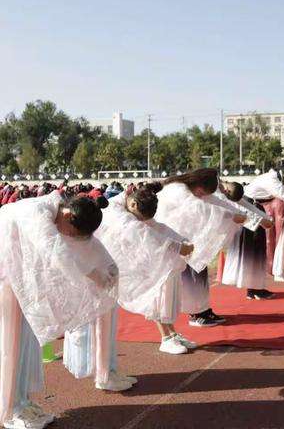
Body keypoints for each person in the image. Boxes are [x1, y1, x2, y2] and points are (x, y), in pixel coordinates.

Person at [0, 192, 118, 429]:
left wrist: (108, 267)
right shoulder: (35, 213)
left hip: (18, 284)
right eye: (71, 232)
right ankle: (8, 409)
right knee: (9, 344)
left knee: (25, 343)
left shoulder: (62, 214)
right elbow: (56, 251)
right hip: (5, 282)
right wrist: (95, 275)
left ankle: (20, 400)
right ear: (67, 215)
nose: (69, 237)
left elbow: (86, 244)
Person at [63, 186, 196, 383]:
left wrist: (179, 240)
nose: (141, 220)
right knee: (96, 324)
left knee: (107, 324)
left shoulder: (128, 205)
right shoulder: (118, 214)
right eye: (139, 216)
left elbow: (153, 226)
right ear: (132, 204)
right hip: (95, 272)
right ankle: (103, 373)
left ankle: (109, 369)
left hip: (106, 270)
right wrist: (177, 246)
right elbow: (144, 233)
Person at [155, 169, 246, 328]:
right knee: (188, 278)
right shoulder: (178, 189)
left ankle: (202, 309)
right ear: (199, 184)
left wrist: (238, 213)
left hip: (188, 238)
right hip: (173, 241)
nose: (202, 196)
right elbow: (200, 208)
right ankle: (196, 313)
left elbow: (216, 203)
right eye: (202, 193)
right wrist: (231, 215)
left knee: (199, 272)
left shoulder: (188, 188)